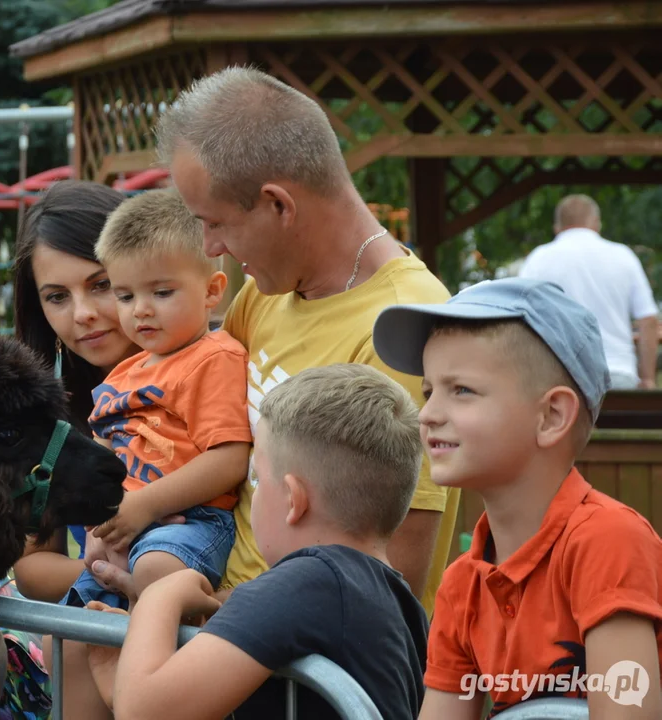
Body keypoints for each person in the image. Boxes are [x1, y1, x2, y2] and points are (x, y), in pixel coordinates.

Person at [88, 65, 459, 617]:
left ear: (278, 205)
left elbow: (388, 575)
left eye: (215, 223)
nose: (210, 247)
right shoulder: (269, 290)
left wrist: (202, 609)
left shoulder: (404, 329)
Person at [372, 277, 662, 717]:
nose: (428, 413)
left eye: (461, 390)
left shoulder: (608, 541)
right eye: (429, 391)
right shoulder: (462, 584)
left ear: (551, 416)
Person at [95, 364, 428, 720]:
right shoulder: (402, 605)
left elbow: (146, 714)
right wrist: (127, 669)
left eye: (256, 479)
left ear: (293, 500)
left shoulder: (308, 582)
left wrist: (159, 596)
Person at [65, 187, 249, 610]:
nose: (140, 310)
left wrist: (145, 506)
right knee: (72, 622)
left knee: (155, 574)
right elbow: (101, 451)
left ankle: (160, 672)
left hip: (190, 520)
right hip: (122, 523)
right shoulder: (124, 374)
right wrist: (97, 523)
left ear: (211, 291)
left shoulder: (213, 358)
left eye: (161, 293)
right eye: (125, 296)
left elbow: (230, 457)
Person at [10, 181, 139, 604]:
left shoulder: (220, 369)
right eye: (57, 297)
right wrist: (119, 581)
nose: (82, 314)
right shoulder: (48, 416)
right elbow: (32, 564)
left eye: (100, 284)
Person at [519, 193, 659, 390]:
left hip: (558, 375)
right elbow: (648, 320)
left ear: (557, 227)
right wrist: (648, 378)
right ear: (596, 223)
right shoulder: (623, 256)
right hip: (617, 372)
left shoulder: (539, 259)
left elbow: (520, 317)